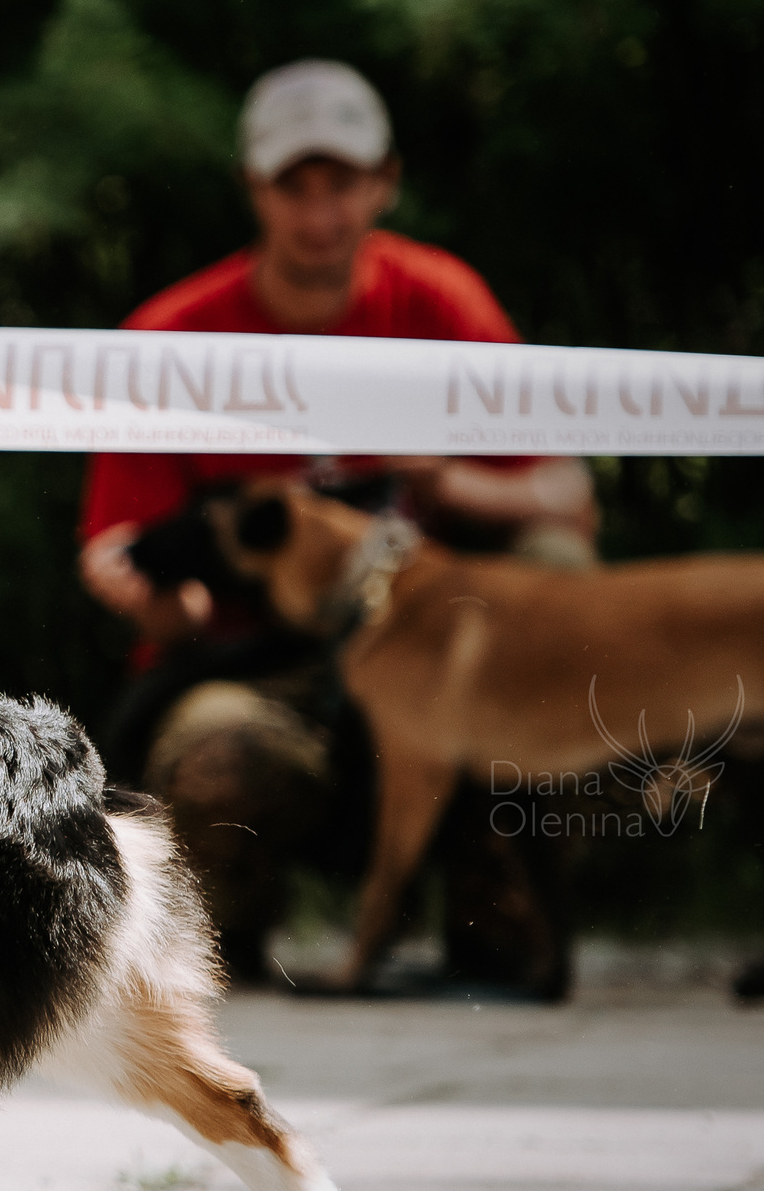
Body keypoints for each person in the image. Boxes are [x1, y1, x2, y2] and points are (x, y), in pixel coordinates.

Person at [75, 60, 598, 990]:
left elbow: (569, 500)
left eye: (343, 184)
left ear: (384, 182)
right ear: (254, 189)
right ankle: (228, 949)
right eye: (294, 186)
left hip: (432, 653)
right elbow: (143, 573)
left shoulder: (440, 305)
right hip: (265, 673)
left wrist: (443, 480)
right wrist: (156, 606)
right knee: (213, 766)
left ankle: (499, 921)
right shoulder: (170, 341)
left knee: (558, 571)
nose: (320, 215)